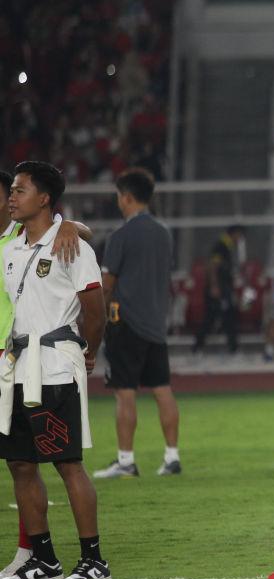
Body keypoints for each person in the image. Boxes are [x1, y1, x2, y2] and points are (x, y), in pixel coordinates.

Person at [0, 161, 108, 579]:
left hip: (56, 366)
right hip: (16, 368)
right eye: (12, 190)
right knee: (20, 464)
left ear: (44, 198)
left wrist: (89, 351)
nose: (12, 196)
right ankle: (43, 559)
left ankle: (94, 559)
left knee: (67, 464)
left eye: (20, 189)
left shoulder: (73, 246)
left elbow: (95, 310)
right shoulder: (10, 249)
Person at [92, 168, 182, 479]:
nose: (118, 202)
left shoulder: (121, 235)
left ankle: (126, 461)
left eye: (119, 196)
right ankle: (172, 457)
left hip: (126, 322)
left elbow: (106, 284)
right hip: (156, 323)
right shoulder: (163, 232)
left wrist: (97, 320)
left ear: (127, 197)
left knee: (125, 392)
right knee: (162, 389)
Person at [192, 224, 245, 355]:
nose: (240, 239)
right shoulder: (221, 246)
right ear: (233, 233)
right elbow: (212, 266)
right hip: (218, 289)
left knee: (228, 316)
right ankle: (197, 347)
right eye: (239, 235)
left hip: (224, 288)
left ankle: (233, 348)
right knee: (212, 318)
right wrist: (214, 286)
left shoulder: (228, 247)